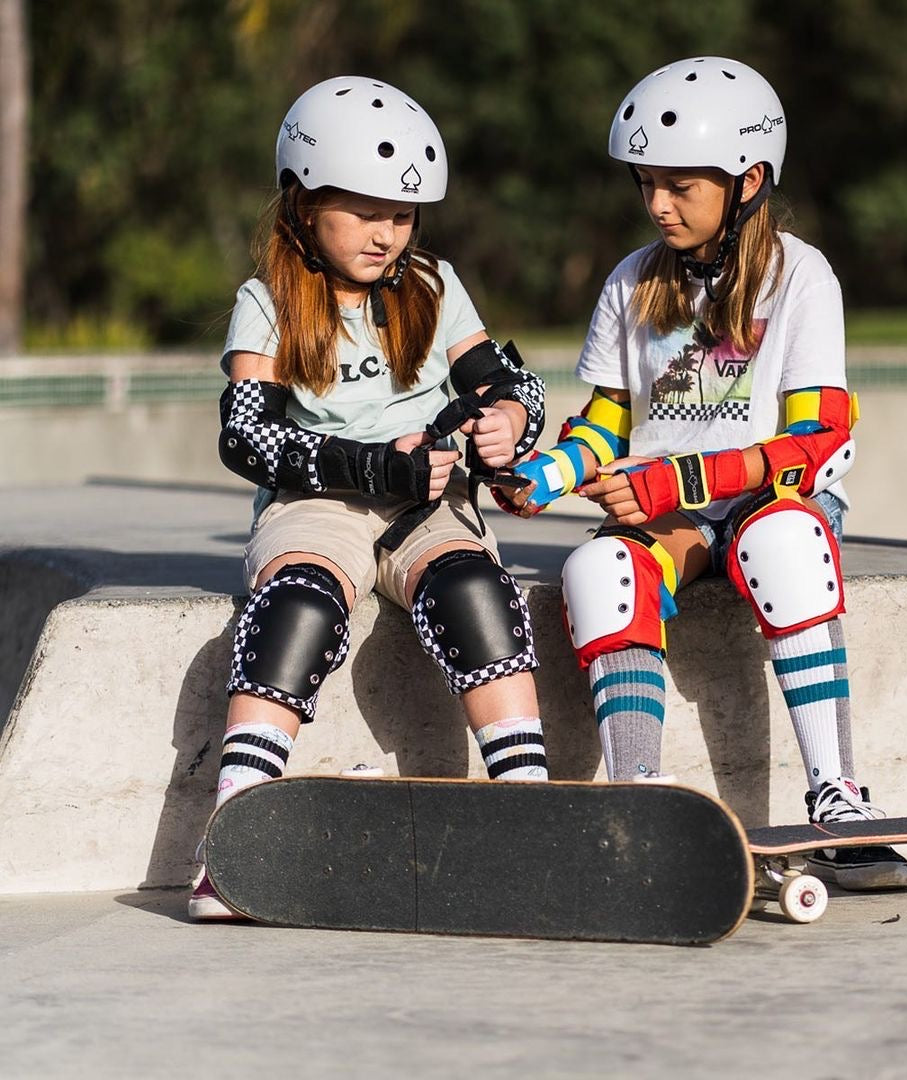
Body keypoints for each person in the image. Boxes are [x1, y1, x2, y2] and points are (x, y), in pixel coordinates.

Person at [499, 57, 907, 891]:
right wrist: (542, 474)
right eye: (648, 183)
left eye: (680, 186)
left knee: (788, 545)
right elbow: (610, 418)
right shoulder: (631, 280)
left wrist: (671, 481)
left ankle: (839, 798)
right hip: (674, 518)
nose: (658, 204)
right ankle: (640, 807)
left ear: (749, 179)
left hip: (775, 500)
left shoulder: (801, 276)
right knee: (599, 569)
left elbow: (813, 437)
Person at [190, 76, 549, 920]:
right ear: (305, 204)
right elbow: (249, 437)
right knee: (300, 604)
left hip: (430, 504)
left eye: (404, 214)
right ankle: (230, 834)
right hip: (318, 502)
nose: (387, 234)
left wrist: (507, 421)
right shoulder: (270, 301)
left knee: (473, 592)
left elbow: (508, 383)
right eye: (365, 211)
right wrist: (368, 467)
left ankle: (531, 809)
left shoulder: (432, 284)